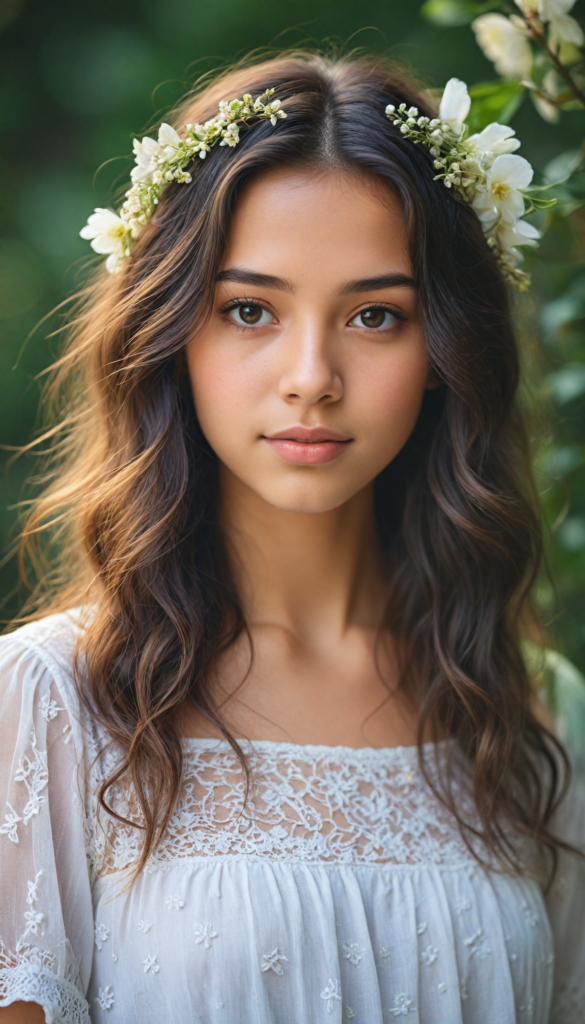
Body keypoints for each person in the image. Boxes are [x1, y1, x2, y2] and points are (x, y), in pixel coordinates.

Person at [0, 51, 583, 1024]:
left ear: (443, 350)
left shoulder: (535, 716)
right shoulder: (52, 702)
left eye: (374, 314)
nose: (312, 374)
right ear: (173, 328)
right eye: (249, 310)